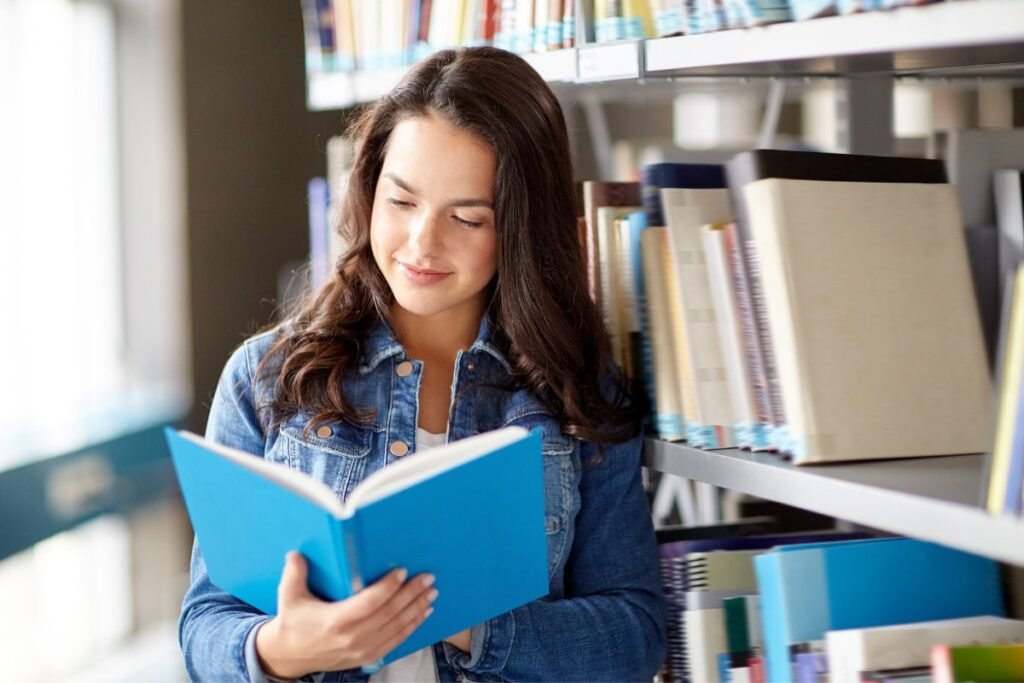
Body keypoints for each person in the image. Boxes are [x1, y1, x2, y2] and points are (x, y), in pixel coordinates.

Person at [178, 46, 666, 682]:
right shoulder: (266, 377)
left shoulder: (576, 390)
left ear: (520, 228)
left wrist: (461, 618)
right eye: (401, 202)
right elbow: (204, 628)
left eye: (467, 217)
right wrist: (283, 649)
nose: (421, 244)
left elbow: (634, 636)